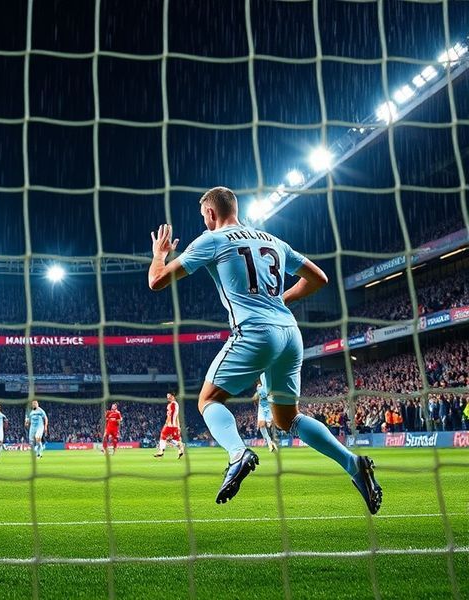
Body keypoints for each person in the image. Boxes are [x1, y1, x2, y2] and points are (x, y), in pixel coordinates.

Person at [147, 186, 381, 513]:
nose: (205, 222)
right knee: (288, 418)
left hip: (255, 332)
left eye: (204, 216)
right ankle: (353, 463)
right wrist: (282, 299)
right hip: (289, 334)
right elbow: (319, 278)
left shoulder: (211, 239)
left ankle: (237, 454)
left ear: (211, 213)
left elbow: (156, 281)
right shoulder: (273, 240)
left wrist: (160, 254)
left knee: (208, 400)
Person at [153, 393, 185, 459]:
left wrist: (166, 423)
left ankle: (161, 451)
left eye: (169, 396)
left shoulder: (171, 404)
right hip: (175, 426)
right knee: (174, 439)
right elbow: (177, 416)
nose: (168, 398)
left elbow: (170, 416)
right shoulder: (176, 404)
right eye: (167, 397)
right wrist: (178, 425)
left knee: (163, 436)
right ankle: (180, 449)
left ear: (173, 396)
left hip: (170, 425)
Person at [252, 374, 278, 452]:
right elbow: (256, 397)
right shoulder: (259, 387)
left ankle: (273, 441)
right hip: (262, 405)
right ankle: (269, 442)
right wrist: (256, 398)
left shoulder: (269, 383)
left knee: (270, 424)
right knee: (261, 424)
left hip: (269, 405)